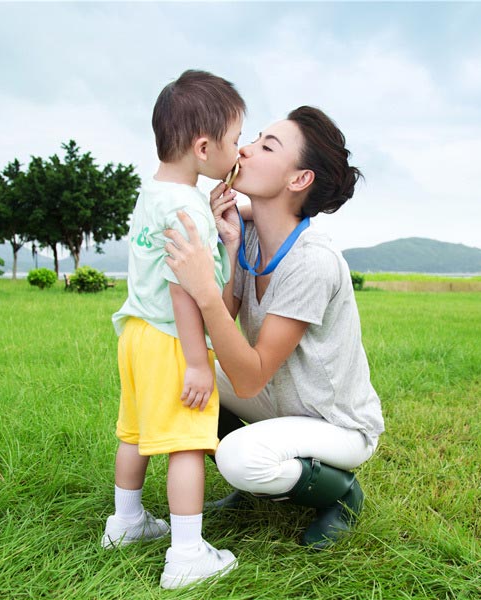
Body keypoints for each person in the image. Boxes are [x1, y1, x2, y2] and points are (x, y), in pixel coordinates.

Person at [163, 106, 385, 549]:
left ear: (298, 179)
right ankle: (255, 491)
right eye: (256, 137)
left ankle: (340, 495)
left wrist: (204, 290)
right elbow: (220, 330)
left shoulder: (312, 261)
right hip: (279, 402)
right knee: (182, 371)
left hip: (336, 423)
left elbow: (248, 375)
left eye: (267, 146)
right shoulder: (247, 236)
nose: (245, 148)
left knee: (240, 458)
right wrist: (222, 245)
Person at [101, 69, 243, 589]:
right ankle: (186, 555)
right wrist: (198, 361)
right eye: (235, 140)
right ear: (205, 148)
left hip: (136, 332)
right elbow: (186, 289)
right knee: (187, 442)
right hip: (171, 338)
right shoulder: (189, 209)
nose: (240, 150)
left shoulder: (158, 195)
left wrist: (214, 229)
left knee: (135, 433)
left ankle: (127, 522)